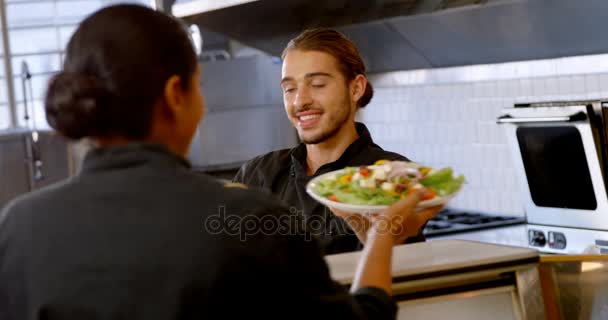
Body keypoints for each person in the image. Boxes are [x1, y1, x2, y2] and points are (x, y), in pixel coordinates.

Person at [0, 5, 442, 320]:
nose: (300, 99)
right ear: (177, 95)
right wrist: (382, 235)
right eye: (199, 85)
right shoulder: (246, 213)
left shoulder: (17, 227)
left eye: (317, 83)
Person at [234, 28, 428, 255]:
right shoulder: (258, 175)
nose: (300, 101)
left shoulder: (391, 176)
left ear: (356, 88)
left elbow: (402, 276)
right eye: (289, 89)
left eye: (317, 84)